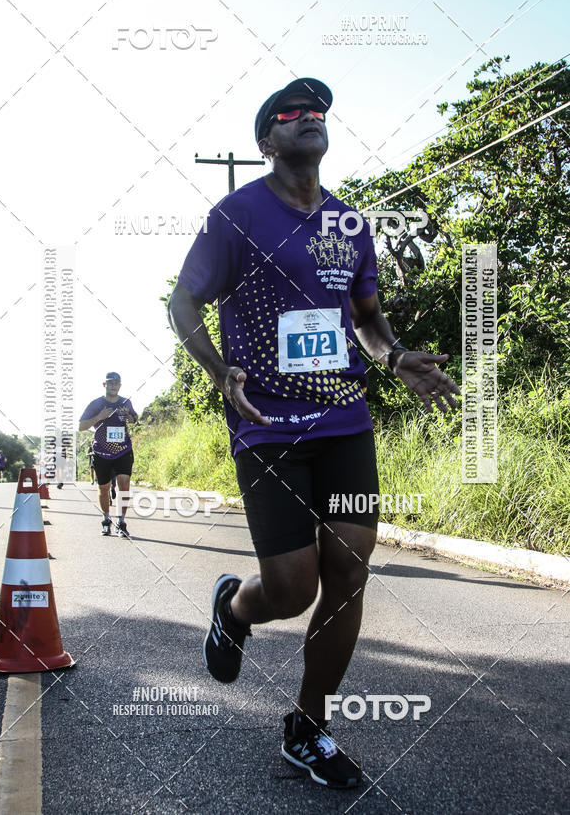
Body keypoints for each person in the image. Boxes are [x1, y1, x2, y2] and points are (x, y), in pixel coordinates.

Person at [168, 77, 460, 790]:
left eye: (317, 111)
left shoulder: (349, 223)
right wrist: (218, 370)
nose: (308, 118)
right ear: (266, 141)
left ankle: (308, 727)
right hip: (268, 426)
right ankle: (235, 606)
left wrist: (394, 356)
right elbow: (183, 302)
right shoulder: (236, 216)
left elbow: (366, 316)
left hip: (344, 419)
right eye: (289, 113)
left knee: (350, 571)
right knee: (293, 590)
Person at [78, 372, 138, 536]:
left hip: (123, 450)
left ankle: (121, 522)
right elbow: (81, 426)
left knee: (124, 484)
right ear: (104, 385)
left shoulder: (126, 402)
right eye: (110, 383)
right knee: (103, 488)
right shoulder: (96, 404)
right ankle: (106, 520)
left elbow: (134, 419)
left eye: (116, 383)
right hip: (101, 452)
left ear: (120, 385)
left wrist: (129, 417)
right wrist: (99, 416)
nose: (113, 386)